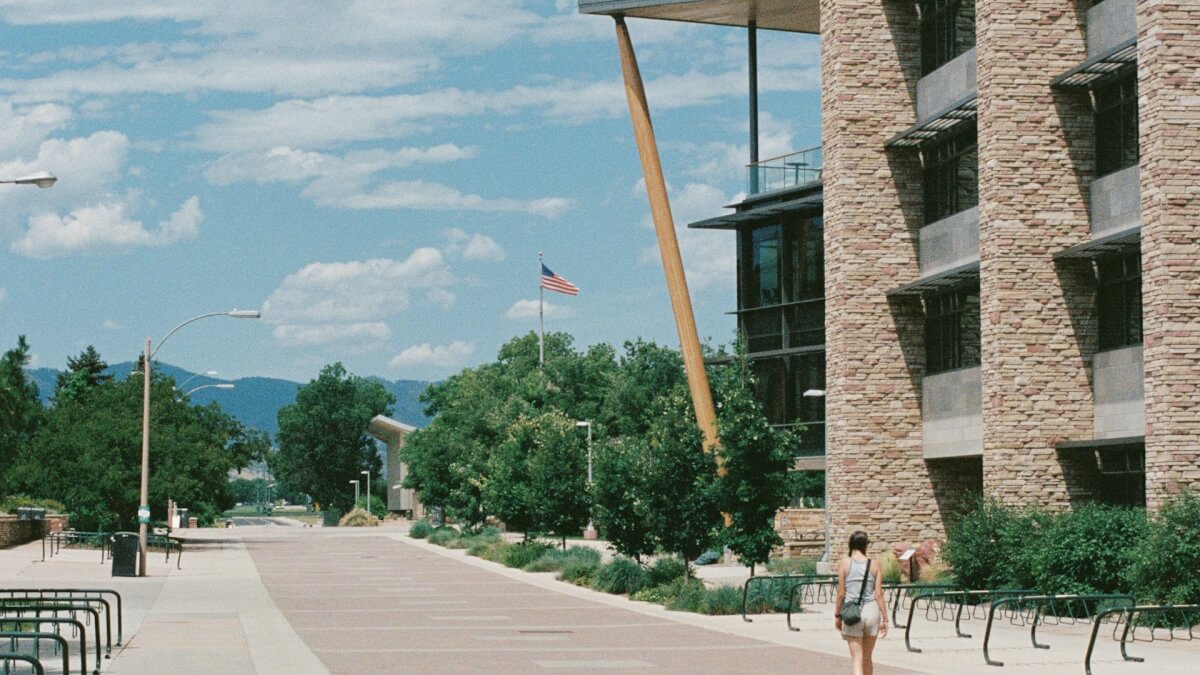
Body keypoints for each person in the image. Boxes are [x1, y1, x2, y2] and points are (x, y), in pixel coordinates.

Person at [834, 530, 888, 675]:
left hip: (852, 614)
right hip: (872, 613)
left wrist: (837, 615)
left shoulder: (845, 564)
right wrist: (885, 619)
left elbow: (841, 594)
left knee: (857, 658)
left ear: (851, 545)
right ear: (866, 545)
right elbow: (879, 594)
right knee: (867, 658)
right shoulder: (875, 565)